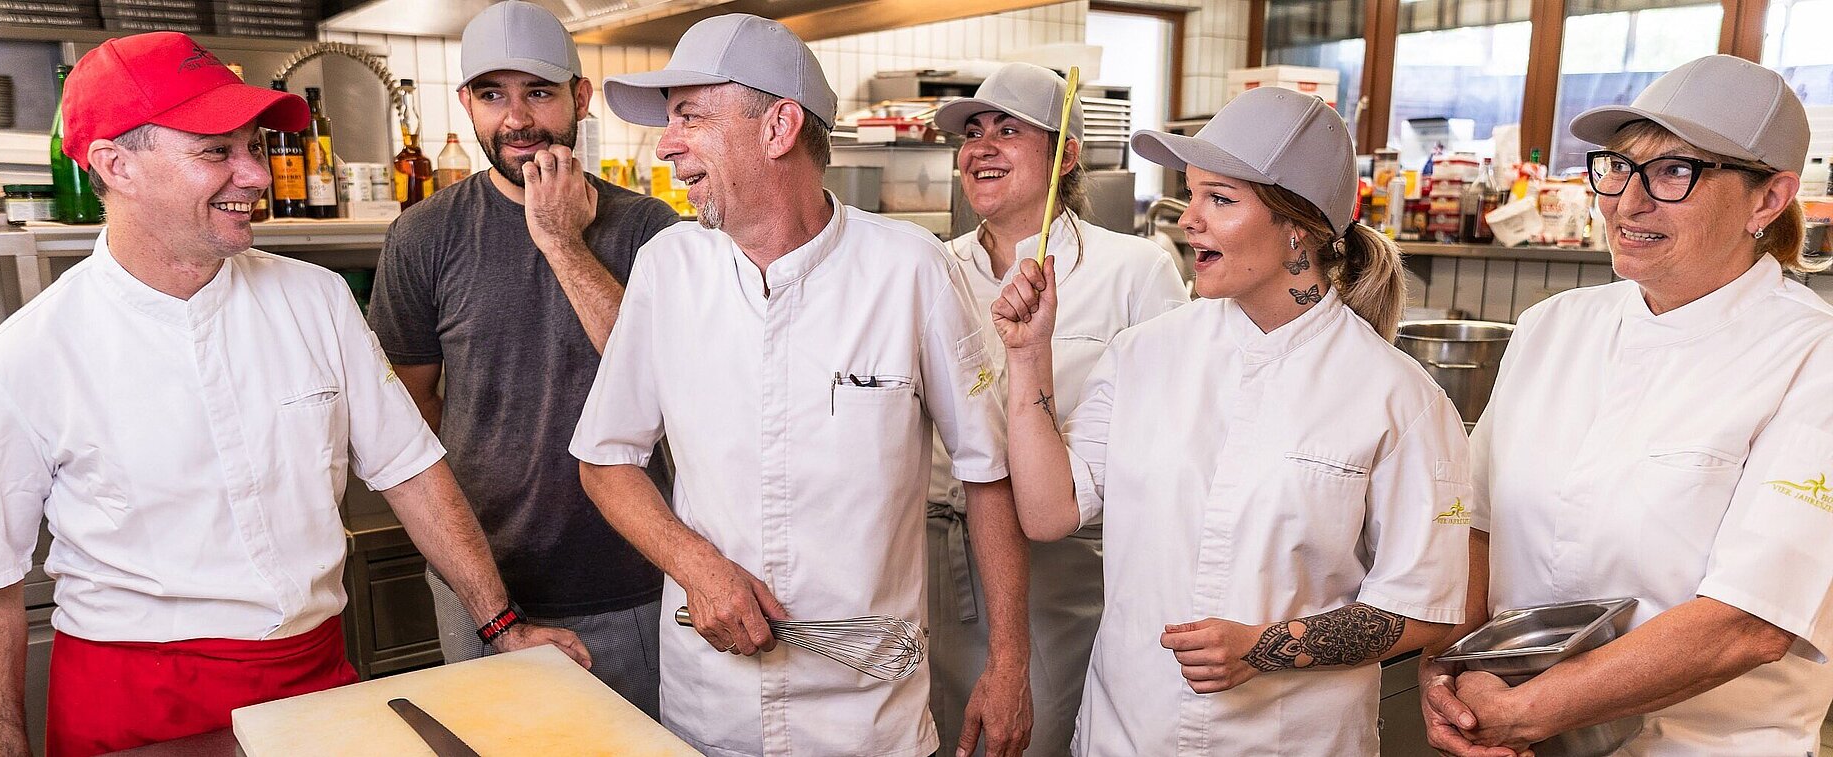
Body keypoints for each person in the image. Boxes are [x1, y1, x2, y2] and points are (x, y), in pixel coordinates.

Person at [0, 32, 586, 757]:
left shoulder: (317, 301)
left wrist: (500, 624)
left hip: (315, 688)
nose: (254, 174)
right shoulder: (18, 361)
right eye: (216, 151)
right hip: (137, 711)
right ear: (115, 165)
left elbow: (410, 468)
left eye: (253, 146)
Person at [571, 13, 1032, 757]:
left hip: (869, 717)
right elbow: (604, 458)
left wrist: (1009, 665)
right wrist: (697, 565)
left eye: (689, 115)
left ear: (779, 126)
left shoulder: (910, 270)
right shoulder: (668, 268)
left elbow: (989, 474)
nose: (666, 144)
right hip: (710, 707)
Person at [993, 86, 1471, 756]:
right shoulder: (1143, 354)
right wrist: (1027, 354)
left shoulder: (1398, 398)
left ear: (1297, 224)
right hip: (1130, 732)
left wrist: (1268, 648)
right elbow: (1049, 511)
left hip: (1290, 740)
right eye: (1192, 194)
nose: (1190, 220)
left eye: (1219, 199)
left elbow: (1424, 606)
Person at [1422, 54, 1833, 757]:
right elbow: (1478, 524)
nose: (1625, 201)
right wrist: (1451, 670)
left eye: (1675, 172)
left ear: (1767, 200)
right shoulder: (1555, 325)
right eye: (1617, 166)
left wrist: (1520, 711)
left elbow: (1748, 622)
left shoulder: (1811, 358)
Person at [367, 0, 678, 717]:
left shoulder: (652, 230)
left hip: (633, 582)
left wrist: (562, 243)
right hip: (483, 591)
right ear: (465, 104)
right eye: (492, 95)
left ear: (580, 97)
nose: (516, 119)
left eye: (538, 91)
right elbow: (409, 414)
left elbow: (668, 392)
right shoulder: (423, 237)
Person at [923, 62, 1188, 757]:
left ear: (1067, 154)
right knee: (947, 734)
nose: (981, 147)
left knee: (1041, 733)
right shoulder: (933, 270)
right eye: (972, 133)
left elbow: (1176, 435)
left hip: (1068, 560)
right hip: (937, 543)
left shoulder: (1137, 271)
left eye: (1008, 130)